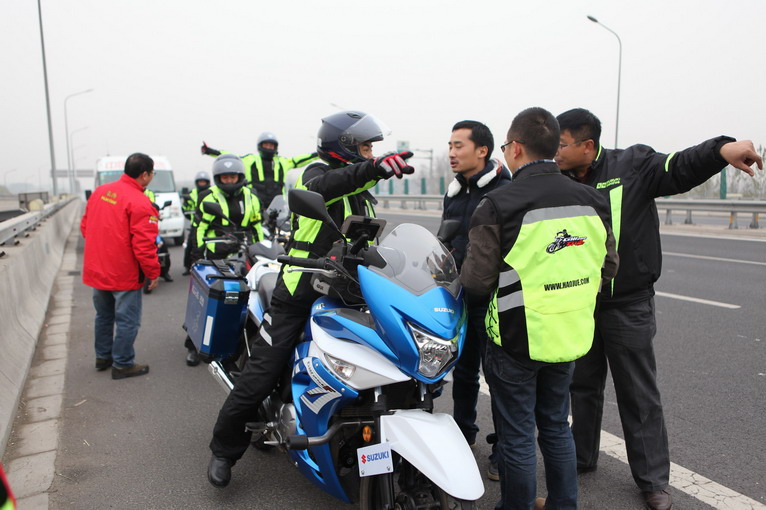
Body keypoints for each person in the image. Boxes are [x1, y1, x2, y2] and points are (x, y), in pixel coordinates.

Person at [556, 107, 763, 510]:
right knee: (581, 385)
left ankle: (652, 480)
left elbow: (680, 166)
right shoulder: (558, 179)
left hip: (628, 304)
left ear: (588, 145)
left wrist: (721, 149)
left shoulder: (632, 165)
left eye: (561, 145)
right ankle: (581, 457)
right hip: (579, 303)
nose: (555, 152)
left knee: (638, 393)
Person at [206, 110, 414, 488]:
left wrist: (400, 262)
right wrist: (373, 169)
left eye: (372, 149)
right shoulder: (313, 176)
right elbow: (331, 185)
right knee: (261, 374)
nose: (371, 154)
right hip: (300, 293)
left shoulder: (362, 195)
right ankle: (224, 450)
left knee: (389, 364)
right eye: (366, 147)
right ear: (344, 146)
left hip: (349, 293)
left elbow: (365, 242)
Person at [461, 107, 618, 510]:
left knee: (516, 434)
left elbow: (476, 282)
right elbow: (608, 266)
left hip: (516, 339)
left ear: (515, 148)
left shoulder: (498, 205)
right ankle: (564, 504)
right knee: (556, 425)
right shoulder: (593, 200)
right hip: (569, 335)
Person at [443, 120, 510, 480]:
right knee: (464, 372)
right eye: (450, 146)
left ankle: (504, 451)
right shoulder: (454, 192)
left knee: (499, 378)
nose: (452, 153)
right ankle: (462, 435)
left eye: (459, 146)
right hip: (460, 295)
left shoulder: (505, 190)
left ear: (482, 151)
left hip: (495, 298)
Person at [80, 153, 160, 380]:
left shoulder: (100, 192)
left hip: (98, 269)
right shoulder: (140, 202)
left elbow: (85, 228)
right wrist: (153, 273)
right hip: (123, 273)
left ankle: (103, 357)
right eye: (152, 173)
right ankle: (122, 363)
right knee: (127, 320)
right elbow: (144, 246)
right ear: (144, 175)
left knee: (103, 316)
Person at [184, 155, 262, 367]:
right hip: (215, 256)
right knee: (206, 300)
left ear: (240, 176)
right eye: (224, 178)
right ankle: (193, 345)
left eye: (232, 177)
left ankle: (234, 344)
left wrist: (261, 251)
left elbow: (257, 226)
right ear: (218, 178)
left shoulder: (252, 196)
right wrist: (197, 257)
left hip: (243, 252)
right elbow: (199, 229)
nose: (229, 181)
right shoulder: (208, 196)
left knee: (245, 298)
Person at [201, 132, 318, 208]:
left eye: (271, 145)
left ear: (275, 147)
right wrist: (209, 151)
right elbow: (230, 157)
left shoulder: (282, 161)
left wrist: (318, 153)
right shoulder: (250, 160)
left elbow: (299, 159)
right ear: (260, 146)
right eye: (266, 145)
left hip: (278, 207)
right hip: (254, 203)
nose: (269, 148)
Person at [181, 171, 211, 275]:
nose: (202, 184)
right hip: (196, 224)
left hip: (210, 224)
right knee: (191, 246)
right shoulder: (192, 193)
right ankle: (188, 266)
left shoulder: (212, 193)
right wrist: (185, 202)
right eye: (200, 182)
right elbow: (186, 210)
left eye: (204, 182)